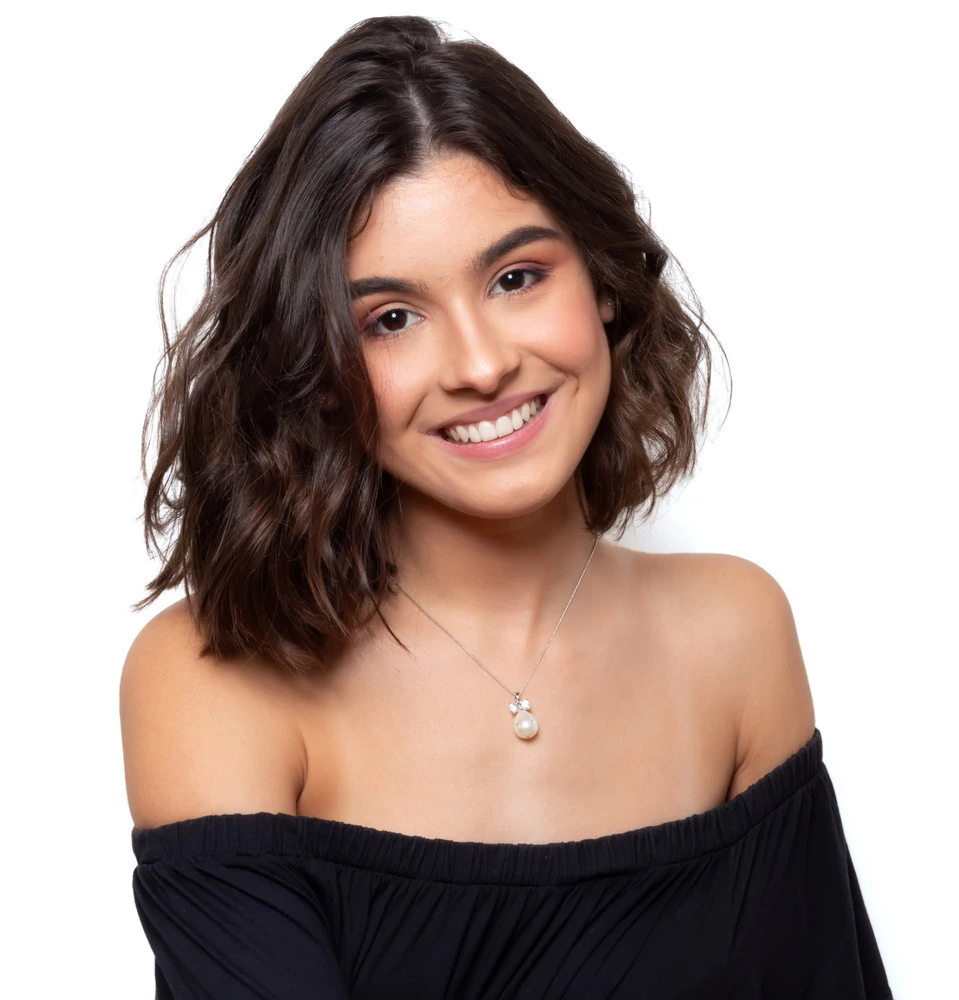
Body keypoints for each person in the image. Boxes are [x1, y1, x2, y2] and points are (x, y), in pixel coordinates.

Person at [120, 15, 893, 998]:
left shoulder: (736, 633)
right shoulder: (212, 681)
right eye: (391, 319)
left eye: (517, 277)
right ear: (315, 368)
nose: (481, 364)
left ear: (602, 279)